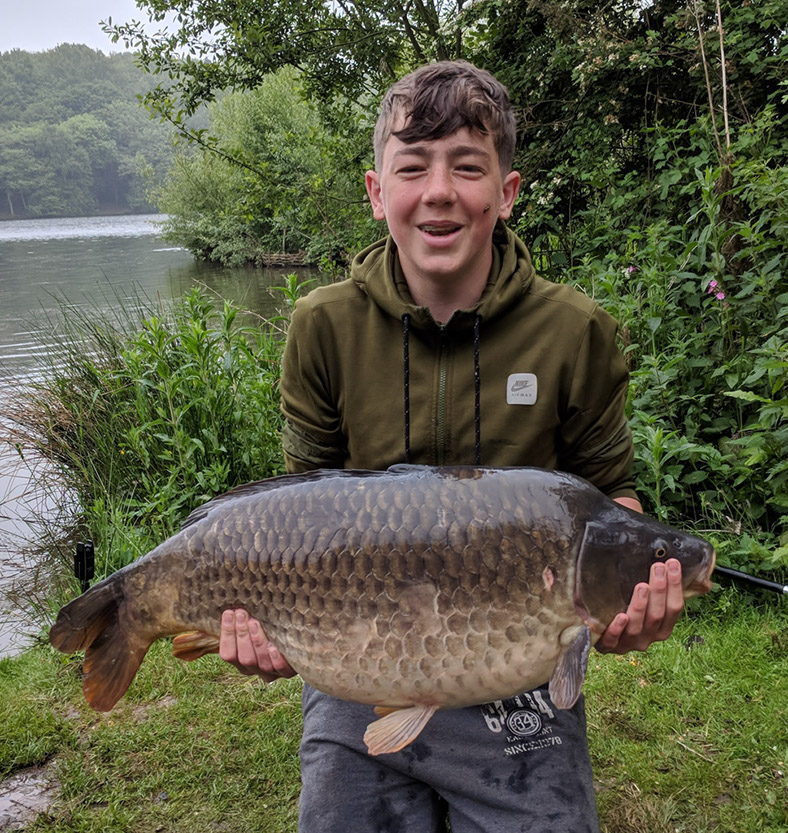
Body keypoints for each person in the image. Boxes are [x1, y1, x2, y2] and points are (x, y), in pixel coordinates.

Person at [219, 61, 686, 832]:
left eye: (467, 166)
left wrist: (631, 594)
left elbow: (613, 499)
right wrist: (266, 619)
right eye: (413, 167)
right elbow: (300, 509)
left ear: (506, 193)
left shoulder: (575, 331)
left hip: (517, 672)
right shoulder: (321, 326)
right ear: (377, 193)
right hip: (358, 659)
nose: (439, 190)